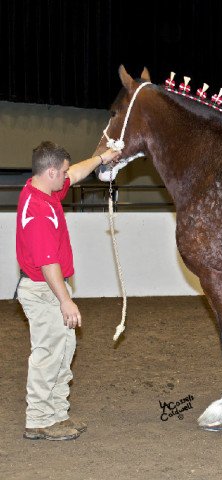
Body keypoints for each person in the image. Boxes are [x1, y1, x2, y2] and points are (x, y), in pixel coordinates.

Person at [16, 141, 119, 440]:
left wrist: (102, 158)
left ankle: (55, 415)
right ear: (49, 172)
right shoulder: (38, 211)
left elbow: (74, 173)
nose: (66, 177)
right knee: (49, 354)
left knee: (62, 350)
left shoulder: (42, 190)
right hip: (45, 289)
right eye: (60, 172)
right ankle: (39, 419)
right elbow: (48, 264)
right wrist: (65, 301)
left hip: (45, 289)